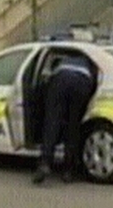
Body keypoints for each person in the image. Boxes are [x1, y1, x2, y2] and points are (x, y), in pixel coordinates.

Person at [33, 52, 100, 185]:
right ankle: (68, 170)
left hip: (61, 81)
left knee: (52, 123)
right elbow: (94, 83)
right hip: (82, 82)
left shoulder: (60, 59)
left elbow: (46, 79)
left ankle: (45, 163)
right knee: (73, 126)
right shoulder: (90, 59)